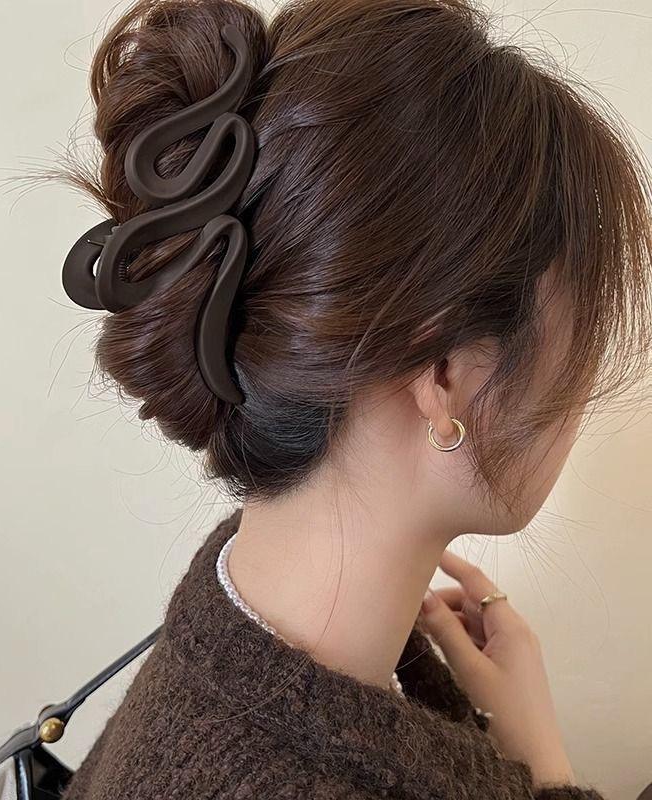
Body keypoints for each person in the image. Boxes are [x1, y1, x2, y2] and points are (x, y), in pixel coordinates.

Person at [56, 0, 652, 797]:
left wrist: (532, 758)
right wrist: (549, 780)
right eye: (584, 333)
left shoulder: (232, 621)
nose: (583, 386)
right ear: (445, 375)